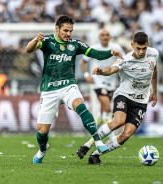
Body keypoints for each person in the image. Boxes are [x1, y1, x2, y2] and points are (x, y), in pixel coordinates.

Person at [25, 15, 124, 164]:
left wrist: (111, 52)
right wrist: (35, 40)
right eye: (65, 30)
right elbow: (28, 49)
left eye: (70, 31)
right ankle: (42, 149)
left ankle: (98, 142)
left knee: (82, 108)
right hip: (50, 89)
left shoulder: (75, 44)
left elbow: (95, 53)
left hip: (68, 85)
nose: (68, 34)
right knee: (42, 131)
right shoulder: (47, 41)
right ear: (57, 29)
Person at [76, 32, 158, 164]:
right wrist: (102, 72)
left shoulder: (154, 53)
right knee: (119, 121)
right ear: (132, 45)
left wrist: (154, 91)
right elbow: (111, 68)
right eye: (138, 48)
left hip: (141, 101)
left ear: (148, 45)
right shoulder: (126, 59)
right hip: (123, 95)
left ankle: (95, 155)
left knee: (125, 135)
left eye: (144, 48)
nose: (141, 52)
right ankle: (87, 145)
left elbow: (154, 70)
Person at [80, 29, 125, 138]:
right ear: (99, 37)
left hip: (111, 82)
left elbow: (124, 60)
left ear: (110, 37)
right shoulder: (95, 48)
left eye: (107, 35)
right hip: (98, 82)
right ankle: (112, 135)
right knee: (108, 108)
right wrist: (87, 75)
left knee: (104, 109)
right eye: (102, 35)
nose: (105, 37)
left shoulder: (116, 48)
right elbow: (83, 62)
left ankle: (95, 126)